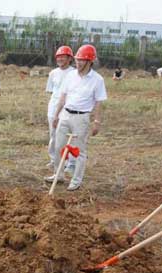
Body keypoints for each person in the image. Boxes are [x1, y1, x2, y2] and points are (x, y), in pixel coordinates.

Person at [45, 44, 107, 191]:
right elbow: (63, 96)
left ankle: (76, 180)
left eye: (82, 60)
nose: (78, 63)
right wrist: (56, 115)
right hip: (65, 114)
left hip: (82, 117)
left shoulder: (97, 80)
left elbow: (99, 102)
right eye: (77, 60)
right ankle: (58, 174)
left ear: (90, 61)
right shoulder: (70, 76)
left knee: (79, 150)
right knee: (59, 146)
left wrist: (97, 122)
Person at [46, 45, 75, 170]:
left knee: (68, 136)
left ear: (69, 58)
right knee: (53, 136)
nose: (60, 59)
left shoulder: (74, 73)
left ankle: (69, 162)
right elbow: (51, 91)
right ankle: (54, 160)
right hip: (53, 109)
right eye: (58, 57)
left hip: (68, 109)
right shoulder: (53, 73)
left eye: (63, 57)